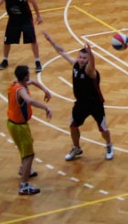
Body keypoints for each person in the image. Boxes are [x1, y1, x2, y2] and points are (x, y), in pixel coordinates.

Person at [43, 32, 114, 162]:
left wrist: (91, 54)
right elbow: (62, 52)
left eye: (84, 58)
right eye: (80, 57)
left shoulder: (90, 71)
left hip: (95, 104)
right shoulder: (76, 65)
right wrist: (51, 41)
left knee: (102, 128)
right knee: (73, 125)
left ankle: (109, 145)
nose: (81, 60)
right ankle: (76, 148)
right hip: (81, 103)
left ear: (88, 60)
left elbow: (92, 65)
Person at [6, 64, 52, 196]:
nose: (30, 77)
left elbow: (34, 82)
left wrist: (45, 90)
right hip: (19, 126)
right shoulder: (21, 90)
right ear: (25, 77)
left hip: (12, 123)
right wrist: (46, 107)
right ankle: (24, 186)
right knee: (29, 155)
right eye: (28, 74)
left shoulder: (15, 83)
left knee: (25, 147)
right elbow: (29, 100)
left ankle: (24, 169)